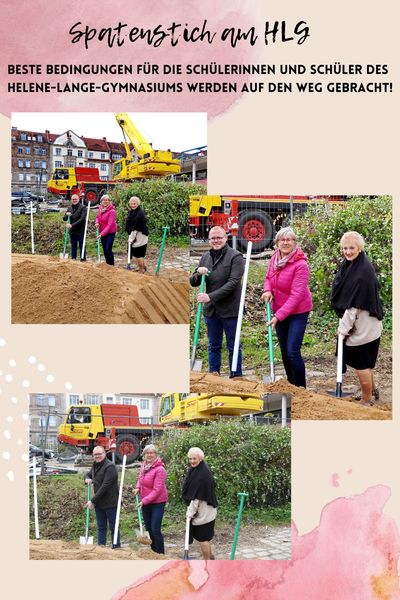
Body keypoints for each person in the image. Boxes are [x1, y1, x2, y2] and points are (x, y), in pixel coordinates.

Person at [331, 231, 383, 406]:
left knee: (361, 364)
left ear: (360, 248)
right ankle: (373, 390)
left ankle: (367, 400)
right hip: (364, 324)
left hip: (364, 327)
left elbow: (353, 306)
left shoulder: (361, 273)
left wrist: (342, 330)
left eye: (351, 248)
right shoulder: (352, 265)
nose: (348, 251)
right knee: (365, 362)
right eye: (345, 248)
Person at [189, 226, 244, 377]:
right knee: (213, 345)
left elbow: (233, 283)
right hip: (212, 311)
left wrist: (210, 296)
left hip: (231, 309)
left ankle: (236, 375)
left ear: (225, 238)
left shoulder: (236, 256)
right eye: (213, 238)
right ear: (209, 239)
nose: (216, 240)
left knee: (233, 345)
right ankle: (214, 375)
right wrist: (198, 274)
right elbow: (193, 281)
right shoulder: (205, 257)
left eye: (219, 237)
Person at [261, 226, 313, 388]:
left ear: (294, 242)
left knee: (292, 351)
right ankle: (290, 386)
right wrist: (267, 289)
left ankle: (301, 388)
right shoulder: (274, 258)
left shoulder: (301, 265)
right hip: (280, 310)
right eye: (282, 240)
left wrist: (278, 316)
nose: (286, 242)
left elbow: (296, 295)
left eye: (289, 239)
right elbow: (269, 277)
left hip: (298, 312)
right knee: (284, 350)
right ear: (277, 242)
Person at [182, 447, 218, 561]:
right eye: (190, 459)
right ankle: (211, 558)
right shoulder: (198, 469)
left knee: (203, 539)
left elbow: (196, 498)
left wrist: (189, 514)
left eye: (194, 458)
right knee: (205, 538)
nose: (192, 461)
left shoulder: (202, 475)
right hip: (204, 510)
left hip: (204, 512)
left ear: (200, 458)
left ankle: (207, 563)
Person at [134, 444, 168, 554]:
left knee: (155, 529)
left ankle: (161, 554)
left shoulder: (160, 469)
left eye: (152, 453)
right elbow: (140, 479)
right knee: (149, 528)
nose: (149, 455)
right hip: (146, 502)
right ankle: (153, 552)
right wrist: (138, 487)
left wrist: (144, 501)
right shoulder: (144, 465)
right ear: (144, 455)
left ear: (156, 454)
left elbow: (157, 490)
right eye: (147, 453)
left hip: (157, 502)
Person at [84, 446, 120, 548]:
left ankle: (116, 547)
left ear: (104, 454)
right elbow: (88, 474)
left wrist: (92, 500)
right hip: (99, 503)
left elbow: (105, 487)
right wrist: (87, 479)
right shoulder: (95, 465)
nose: (97, 456)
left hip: (110, 502)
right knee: (101, 526)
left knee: (114, 527)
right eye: (95, 455)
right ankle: (101, 548)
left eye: (99, 454)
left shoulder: (110, 467)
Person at [125, 196, 149, 273]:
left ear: (138, 204)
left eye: (134, 203)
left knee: (139, 254)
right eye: (131, 204)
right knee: (138, 253)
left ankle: (141, 270)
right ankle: (143, 267)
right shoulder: (132, 211)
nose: (133, 205)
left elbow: (135, 228)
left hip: (140, 236)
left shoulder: (139, 214)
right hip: (135, 235)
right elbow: (130, 224)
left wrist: (131, 239)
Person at [62, 193, 87, 260]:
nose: (74, 200)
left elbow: (82, 219)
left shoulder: (83, 208)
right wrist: (66, 215)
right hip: (72, 231)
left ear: (78, 199)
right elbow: (64, 219)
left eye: (75, 199)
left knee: (82, 245)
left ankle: (83, 259)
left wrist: (72, 225)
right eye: (73, 199)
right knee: (73, 246)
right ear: (71, 200)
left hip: (80, 230)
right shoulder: (69, 208)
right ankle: (73, 259)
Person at [96, 194, 117, 265]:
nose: (105, 201)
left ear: (109, 201)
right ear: (101, 201)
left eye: (107, 200)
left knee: (108, 249)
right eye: (104, 200)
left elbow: (110, 224)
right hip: (102, 232)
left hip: (110, 233)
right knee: (105, 250)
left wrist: (102, 234)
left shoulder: (112, 211)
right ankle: (107, 265)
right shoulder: (100, 209)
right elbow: (97, 217)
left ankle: (111, 264)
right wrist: (97, 223)